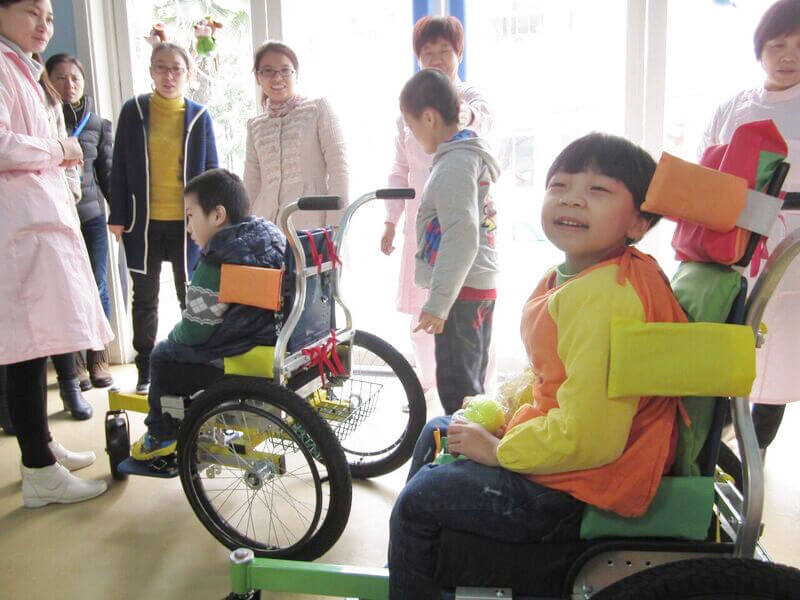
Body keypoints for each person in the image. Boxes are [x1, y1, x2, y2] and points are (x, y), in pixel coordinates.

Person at [388, 132, 688, 599]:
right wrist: (507, 413)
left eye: (598, 190)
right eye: (560, 185)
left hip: (578, 487)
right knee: (437, 431)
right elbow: (557, 375)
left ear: (639, 222)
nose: (572, 199)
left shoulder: (606, 298)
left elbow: (589, 436)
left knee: (419, 500)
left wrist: (498, 450)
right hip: (567, 458)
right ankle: (425, 571)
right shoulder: (577, 275)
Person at [0, 0, 112, 507]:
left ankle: (41, 446)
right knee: (27, 346)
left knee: (39, 339)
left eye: (49, 16)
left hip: (36, 222)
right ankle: (39, 473)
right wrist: (60, 149)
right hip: (17, 228)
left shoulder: (23, 67)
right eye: (32, 13)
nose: (45, 25)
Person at [700, 0, 800, 458]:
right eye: (778, 45)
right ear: (760, 50)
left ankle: (751, 460)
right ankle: (715, 457)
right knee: (730, 341)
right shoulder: (733, 107)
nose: (788, 55)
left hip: (794, 250)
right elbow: (704, 171)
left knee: (783, 352)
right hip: (734, 242)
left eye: (799, 45)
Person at [129, 168, 286, 460]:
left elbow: (195, 331)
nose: (188, 227)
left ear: (217, 215)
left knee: (162, 355)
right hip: (273, 337)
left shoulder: (216, 261)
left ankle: (161, 434)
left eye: (190, 216)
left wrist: (174, 336)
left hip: (237, 350)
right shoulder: (270, 235)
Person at [381, 16, 494, 393]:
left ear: (459, 54)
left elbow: (482, 121)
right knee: (427, 317)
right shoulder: (411, 108)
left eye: (445, 51)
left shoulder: (468, 102)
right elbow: (399, 169)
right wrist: (390, 221)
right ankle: (431, 389)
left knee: (465, 327)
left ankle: (474, 402)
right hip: (426, 226)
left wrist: (454, 110)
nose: (437, 58)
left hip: (461, 228)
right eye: (428, 52)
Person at [109, 42, 219, 394]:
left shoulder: (200, 116)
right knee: (145, 296)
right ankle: (145, 368)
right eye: (161, 67)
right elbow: (118, 166)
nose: (168, 75)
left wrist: (213, 219)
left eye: (176, 69)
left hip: (189, 224)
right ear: (151, 71)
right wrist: (117, 215)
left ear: (188, 74)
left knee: (194, 293)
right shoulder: (134, 111)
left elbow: (212, 170)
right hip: (143, 224)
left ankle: (198, 365)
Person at [399, 69, 500, 416]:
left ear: (429, 118)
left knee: (459, 390)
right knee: (471, 386)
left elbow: (461, 235)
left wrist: (439, 303)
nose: (413, 135)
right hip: (474, 284)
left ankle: (463, 449)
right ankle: (471, 444)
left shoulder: (455, 163)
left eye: (411, 126)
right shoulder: (466, 155)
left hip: (462, 290)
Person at [46, 53, 115, 391]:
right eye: (60, 77)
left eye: (75, 78)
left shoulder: (98, 124)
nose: (68, 85)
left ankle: (98, 358)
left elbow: (108, 174)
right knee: (64, 292)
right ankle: (74, 366)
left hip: (91, 218)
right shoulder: (41, 120)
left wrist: (121, 216)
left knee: (97, 285)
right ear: (47, 81)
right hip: (56, 220)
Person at [243, 41, 348, 230]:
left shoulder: (317, 109)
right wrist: (244, 228)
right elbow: (251, 183)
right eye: (268, 71)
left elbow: (339, 167)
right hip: (265, 227)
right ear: (258, 77)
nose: (277, 78)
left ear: (296, 74)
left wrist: (336, 224)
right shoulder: (254, 126)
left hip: (312, 223)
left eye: (285, 70)